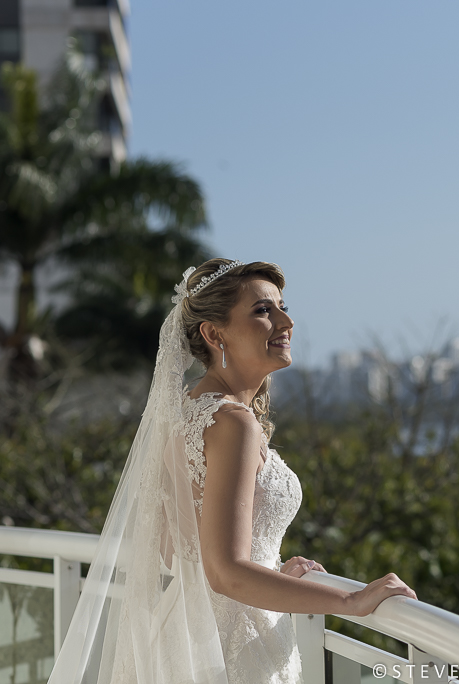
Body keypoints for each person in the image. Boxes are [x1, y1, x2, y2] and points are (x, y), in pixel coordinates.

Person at [49, 259, 415, 684]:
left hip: (186, 637)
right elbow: (225, 572)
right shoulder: (232, 423)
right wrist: (351, 601)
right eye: (263, 311)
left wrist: (269, 574)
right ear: (213, 333)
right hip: (233, 652)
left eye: (282, 308)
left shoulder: (186, 412)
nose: (286, 322)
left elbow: (174, 547)